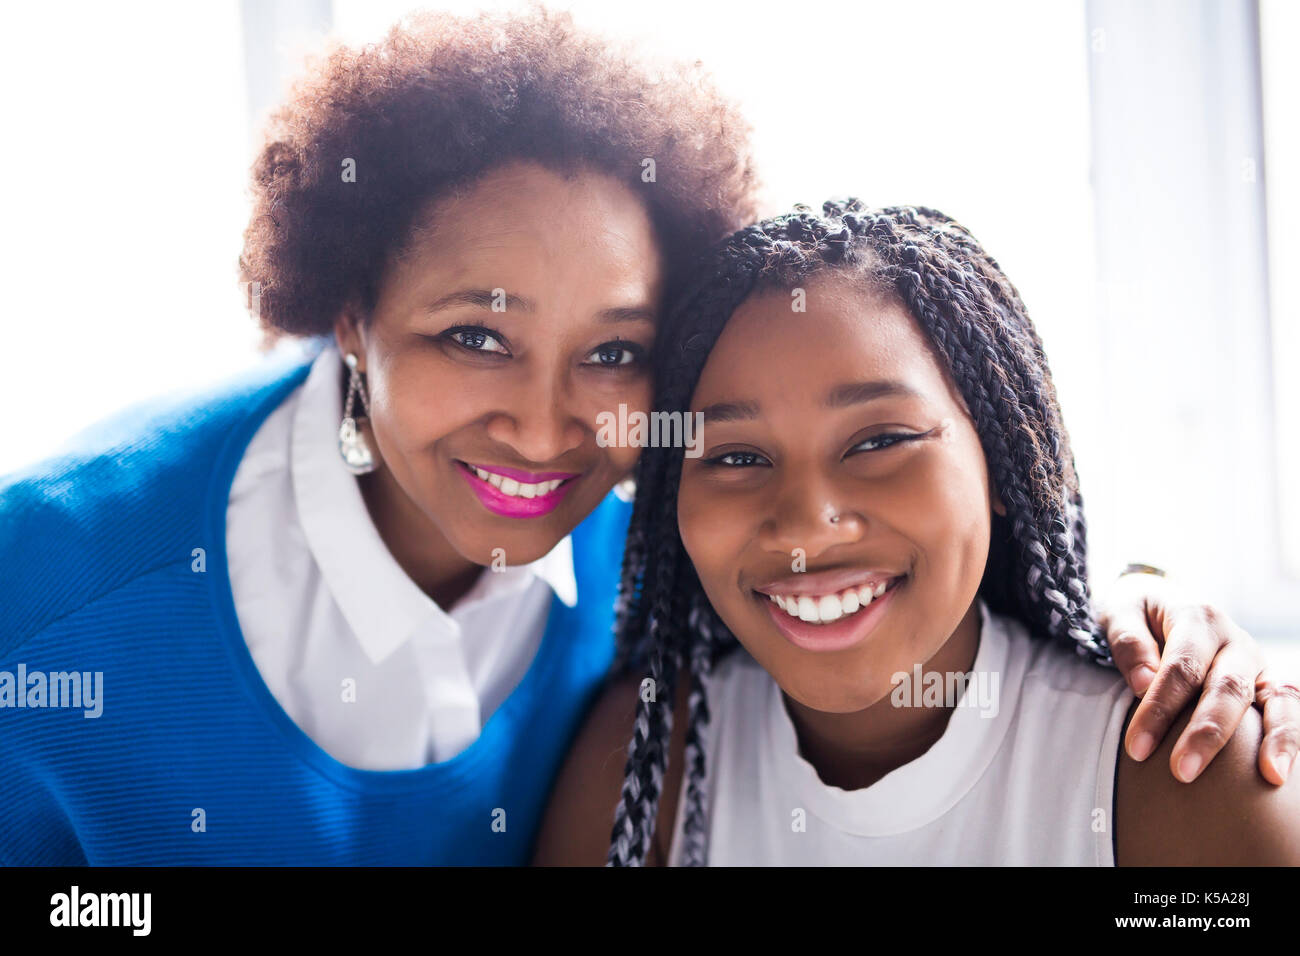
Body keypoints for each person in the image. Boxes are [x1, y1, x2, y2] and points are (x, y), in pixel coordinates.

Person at [0, 9, 1290, 865]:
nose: (551, 423)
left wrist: (1149, 601)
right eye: (475, 335)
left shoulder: (666, 546)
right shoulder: (48, 592)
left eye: (614, 350)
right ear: (346, 310)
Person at [533, 202, 1300, 866]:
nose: (806, 521)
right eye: (736, 456)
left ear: (1002, 464)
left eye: (877, 442)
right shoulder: (642, 765)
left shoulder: (1182, 777)